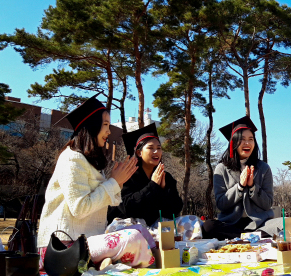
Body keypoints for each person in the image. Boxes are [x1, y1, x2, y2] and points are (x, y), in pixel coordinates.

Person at [36, 95, 141, 269]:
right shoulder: (72, 158)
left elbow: (101, 201)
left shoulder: (88, 161)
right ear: (92, 126)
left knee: (139, 233)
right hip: (63, 248)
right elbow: (80, 207)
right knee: (133, 238)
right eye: (105, 125)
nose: (108, 131)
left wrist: (117, 182)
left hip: (83, 242)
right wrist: (113, 182)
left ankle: (104, 263)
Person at [202, 116, 278, 240]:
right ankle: (248, 237)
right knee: (208, 227)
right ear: (233, 142)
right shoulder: (221, 168)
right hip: (231, 224)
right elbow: (221, 204)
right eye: (242, 139)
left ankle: (245, 237)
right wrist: (240, 186)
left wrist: (253, 187)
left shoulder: (263, 168)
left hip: (259, 224)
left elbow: (267, 204)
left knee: (286, 225)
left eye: (251, 139)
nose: (247, 143)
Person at [107, 123, 183, 226]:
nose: (156, 151)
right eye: (151, 148)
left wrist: (163, 190)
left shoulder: (165, 177)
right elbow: (127, 208)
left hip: (157, 227)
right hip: (130, 228)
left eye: (159, 148)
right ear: (139, 153)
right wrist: (153, 186)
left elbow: (175, 210)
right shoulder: (128, 175)